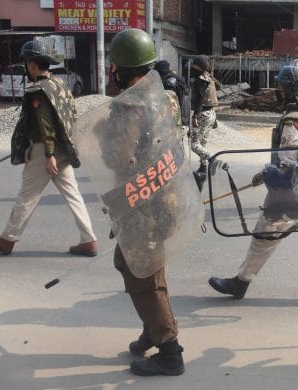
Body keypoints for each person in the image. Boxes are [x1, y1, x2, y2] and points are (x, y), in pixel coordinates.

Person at [207, 58, 298, 303]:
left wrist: (265, 174)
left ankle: (240, 283)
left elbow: (287, 163)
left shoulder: (292, 122)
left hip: (287, 196)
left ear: (291, 90)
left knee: (263, 237)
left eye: (281, 88)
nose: (278, 92)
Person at [105, 28, 185, 376]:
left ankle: (170, 351)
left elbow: (117, 157)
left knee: (143, 274)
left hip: (142, 203)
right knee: (135, 266)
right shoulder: (165, 97)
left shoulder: (130, 107)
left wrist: (105, 129)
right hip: (166, 197)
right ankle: (152, 328)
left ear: (120, 69)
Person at [0, 40, 98, 257]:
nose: (26, 67)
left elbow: (46, 124)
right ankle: (89, 239)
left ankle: (7, 239)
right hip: (63, 150)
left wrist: (49, 154)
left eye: (27, 63)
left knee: (27, 196)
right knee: (74, 195)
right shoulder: (60, 86)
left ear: (33, 65)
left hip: (45, 152)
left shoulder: (39, 91)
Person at [189, 56, 219, 191]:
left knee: (194, 145)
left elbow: (200, 99)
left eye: (194, 66)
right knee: (203, 143)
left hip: (202, 114)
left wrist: (195, 115)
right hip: (211, 114)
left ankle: (212, 160)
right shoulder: (209, 78)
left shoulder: (201, 80)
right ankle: (203, 169)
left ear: (197, 67)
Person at [155, 59, 191, 129]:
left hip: (175, 116)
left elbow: (168, 101)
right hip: (184, 112)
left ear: (160, 72)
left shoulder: (168, 82)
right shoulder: (179, 78)